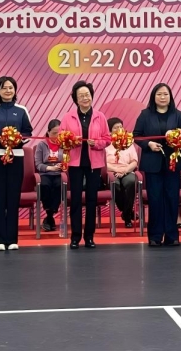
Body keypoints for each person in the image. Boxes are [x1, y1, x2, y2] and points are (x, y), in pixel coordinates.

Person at [0, 76, 34, 251]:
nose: (7, 91)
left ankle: (12, 239)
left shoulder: (22, 110)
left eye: (11, 87)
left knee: (13, 197)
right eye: (4, 88)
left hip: (16, 157)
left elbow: (28, 133)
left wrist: (18, 140)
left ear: (15, 90)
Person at [134, 83, 181, 247]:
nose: (163, 97)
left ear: (170, 97)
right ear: (153, 97)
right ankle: (155, 236)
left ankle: (172, 235)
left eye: (165, 94)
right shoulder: (145, 115)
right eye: (159, 94)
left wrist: (176, 140)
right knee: (155, 199)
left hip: (172, 163)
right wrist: (148, 144)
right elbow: (136, 135)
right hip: (152, 163)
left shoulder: (177, 115)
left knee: (172, 198)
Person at [59, 81, 111, 249]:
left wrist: (96, 143)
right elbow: (61, 139)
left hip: (94, 164)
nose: (85, 98)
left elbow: (107, 139)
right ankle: (75, 237)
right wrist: (71, 141)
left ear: (92, 96)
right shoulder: (68, 117)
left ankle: (89, 237)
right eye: (81, 95)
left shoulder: (100, 116)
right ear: (75, 98)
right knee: (75, 200)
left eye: (87, 94)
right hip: (75, 163)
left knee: (91, 199)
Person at [106, 117, 138, 229]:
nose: (119, 129)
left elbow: (134, 162)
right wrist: (116, 170)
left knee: (131, 182)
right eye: (116, 128)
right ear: (110, 131)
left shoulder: (128, 143)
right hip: (111, 172)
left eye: (121, 127)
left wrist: (125, 170)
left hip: (127, 170)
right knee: (115, 184)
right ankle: (127, 213)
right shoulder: (106, 144)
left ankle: (126, 214)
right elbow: (103, 163)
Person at [34, 119, 63, 232]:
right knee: (44, 185)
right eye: (54, 133)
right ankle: (50, 216)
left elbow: (68, 160)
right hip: (45, 173)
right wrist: (50, 168)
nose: (56, 136)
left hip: (60, 173)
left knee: (59, 185)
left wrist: (62, 165)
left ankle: (49, 216)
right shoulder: (41, 145)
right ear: (48, 132)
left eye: (59, 133)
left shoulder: (65, 144)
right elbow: (38, 164)